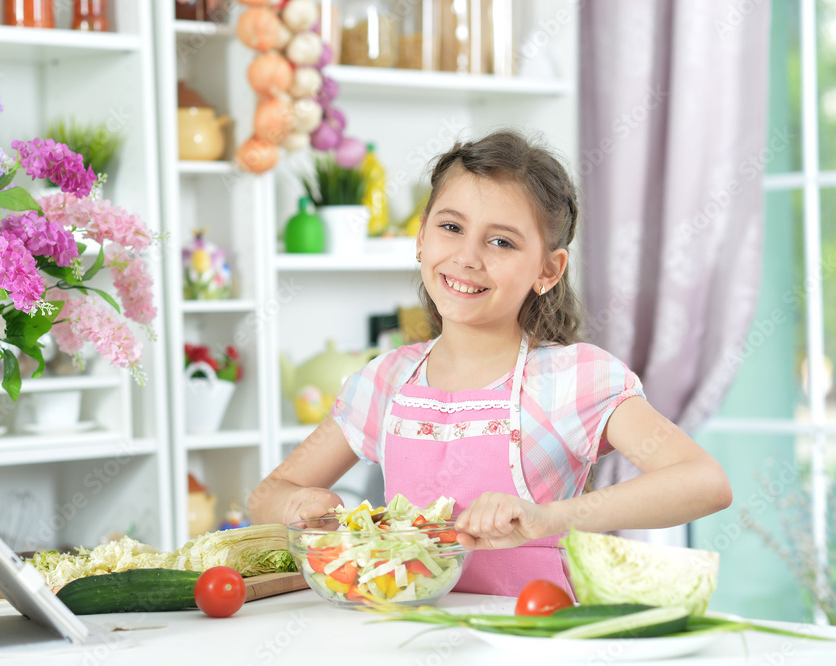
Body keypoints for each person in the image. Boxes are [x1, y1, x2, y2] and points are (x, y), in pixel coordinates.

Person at [249, 130, 732, 597]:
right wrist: (297, 503)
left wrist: (552, 517)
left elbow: (704, 482)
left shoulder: (572, 379)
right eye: (451, 227)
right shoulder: (386, 380)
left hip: (532, 640)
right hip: (408, 634)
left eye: (501, 242)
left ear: (548, 270)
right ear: (421, 237)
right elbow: (267, 494)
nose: (467, 257)